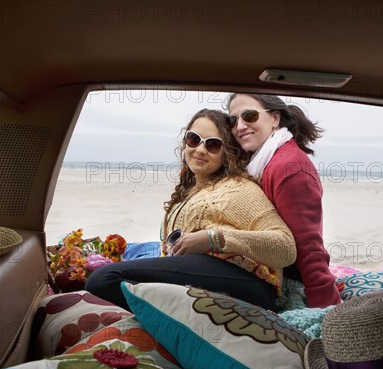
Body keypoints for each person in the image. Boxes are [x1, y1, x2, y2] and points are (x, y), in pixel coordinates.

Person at [85, 109, 296, 312]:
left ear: (228, 151)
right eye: (194, 139)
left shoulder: (238, 189)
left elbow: (286, 248)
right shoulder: (190, 192)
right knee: (102, 280)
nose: (200, 150)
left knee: (103, 279)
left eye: (213, 145)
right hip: (202, 275)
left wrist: (212, 238)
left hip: (247, 284)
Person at [226, 94, 340, 308]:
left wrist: (326, 308)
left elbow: (308, 245)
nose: (240, 126)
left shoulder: (290, 167)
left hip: (283, 283)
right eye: (232, 120)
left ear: (275, 118)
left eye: (249, 116)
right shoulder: (261, 162)